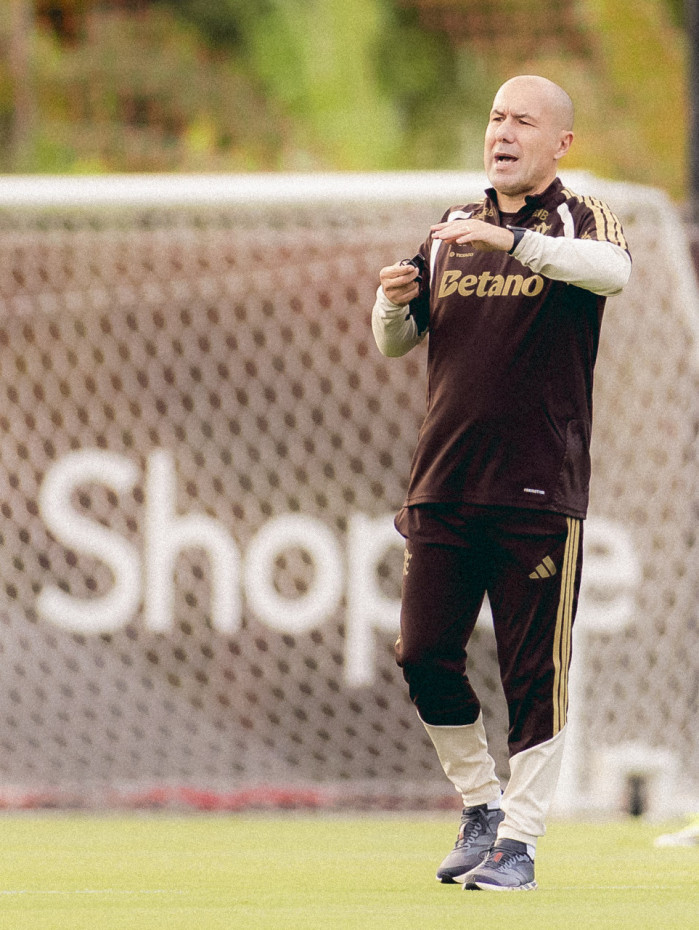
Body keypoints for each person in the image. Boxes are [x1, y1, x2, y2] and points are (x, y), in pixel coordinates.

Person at [372, 75, 631, 891]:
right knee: (422, 656)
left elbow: (612, 273)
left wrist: (513, 244)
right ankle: (480, 808)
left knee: (531, 679)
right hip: (441, 485)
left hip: (536, 492)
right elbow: (397, 345)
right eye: (493, 117)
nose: (502, 131)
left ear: (560, 143)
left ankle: (517, 843)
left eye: (522, 120)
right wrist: (389, 305)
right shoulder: (449, 230)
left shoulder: (579, 220)